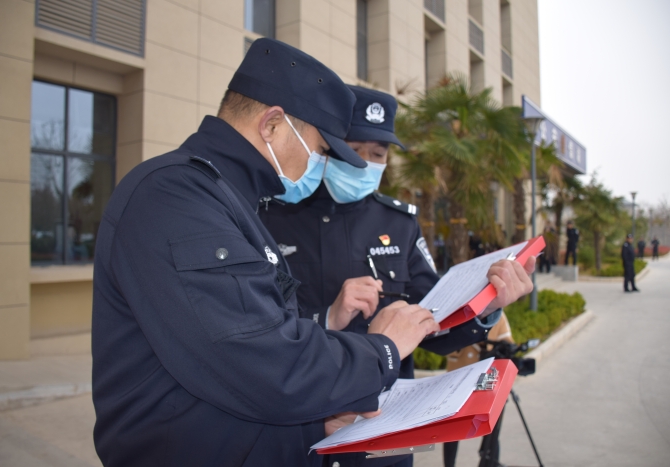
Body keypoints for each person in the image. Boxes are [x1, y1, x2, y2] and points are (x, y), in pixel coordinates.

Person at [91, 39, 442, 467]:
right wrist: (383, 348)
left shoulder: (227, 199)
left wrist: (314, 426)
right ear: (272, 125)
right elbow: (267, 364)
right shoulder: (176, 197)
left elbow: (248, 348)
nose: (319, 162)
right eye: (320, 147)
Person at [259, 86, 536, 467]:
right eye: (355, 150)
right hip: (303, 424)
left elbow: (435, 325)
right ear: (329, 146)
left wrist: (489, 304)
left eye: (378, 154)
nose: (366, 163)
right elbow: (257, 326)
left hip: (384, 430)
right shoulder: (275, 216)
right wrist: (326, 316)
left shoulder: (399, 222)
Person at [442, 313, 515, 467]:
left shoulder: (498, 316)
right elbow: (444, 343)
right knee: (452, 431)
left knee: (491, 427)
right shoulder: (458, 313)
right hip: (458, 380)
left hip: (487, 380)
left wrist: (501, 348)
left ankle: (489, 461)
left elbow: (508, 342)